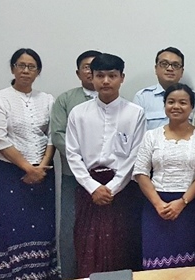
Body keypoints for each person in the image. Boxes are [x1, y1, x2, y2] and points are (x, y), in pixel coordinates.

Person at [65, 53, 146, 276]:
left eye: (112, 75)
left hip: (123, 190)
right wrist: (93, 188)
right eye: (100, 75)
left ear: (122, 77)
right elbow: (72, 154)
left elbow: (135, 155)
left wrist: (112, 188)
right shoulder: (78, 114)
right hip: (89, 189)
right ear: (92, 78)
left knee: (122, 248)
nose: (106, 81)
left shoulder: (135, 113)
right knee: (87, 246)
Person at [0, 48, 59, 278]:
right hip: (9, 173)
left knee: (42, 227)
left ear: (38, 72)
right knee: (11, 227)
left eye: (31, 67)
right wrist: (28, 168)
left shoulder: (47, 99)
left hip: (43, 171)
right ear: (12, 68)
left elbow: (52, 136)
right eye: (21, 65)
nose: (26, 70)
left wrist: (41, 167)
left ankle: (41, 274)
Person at [133, 83, 195, 269]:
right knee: (157, 261)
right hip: (156, 206)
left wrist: (182, 202)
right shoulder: (151, 136)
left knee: (190, 263)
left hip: (190, 206)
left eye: (183, 102)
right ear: (164, 105)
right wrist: (158, 204)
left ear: (192, 107)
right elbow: (140, 172)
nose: (176, 106)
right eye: (171, 102)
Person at [50, 49, 100, 278]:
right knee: (71, 229)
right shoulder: (66, 100)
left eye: (96, 66)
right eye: (86, 67)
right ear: (78, 72)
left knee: (103, 230)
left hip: (105, 180)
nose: (91, 71)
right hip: (74, 176)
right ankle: (70, 274)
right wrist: (82, 163)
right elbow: (58, 135)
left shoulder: (113, 99)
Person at [134, 47, 194, 130]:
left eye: (175, 65)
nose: (169, 68)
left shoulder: (193, 97)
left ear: (182, 72)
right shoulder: (142, 97)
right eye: (164, 64)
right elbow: (135, 132)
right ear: (156, 69)